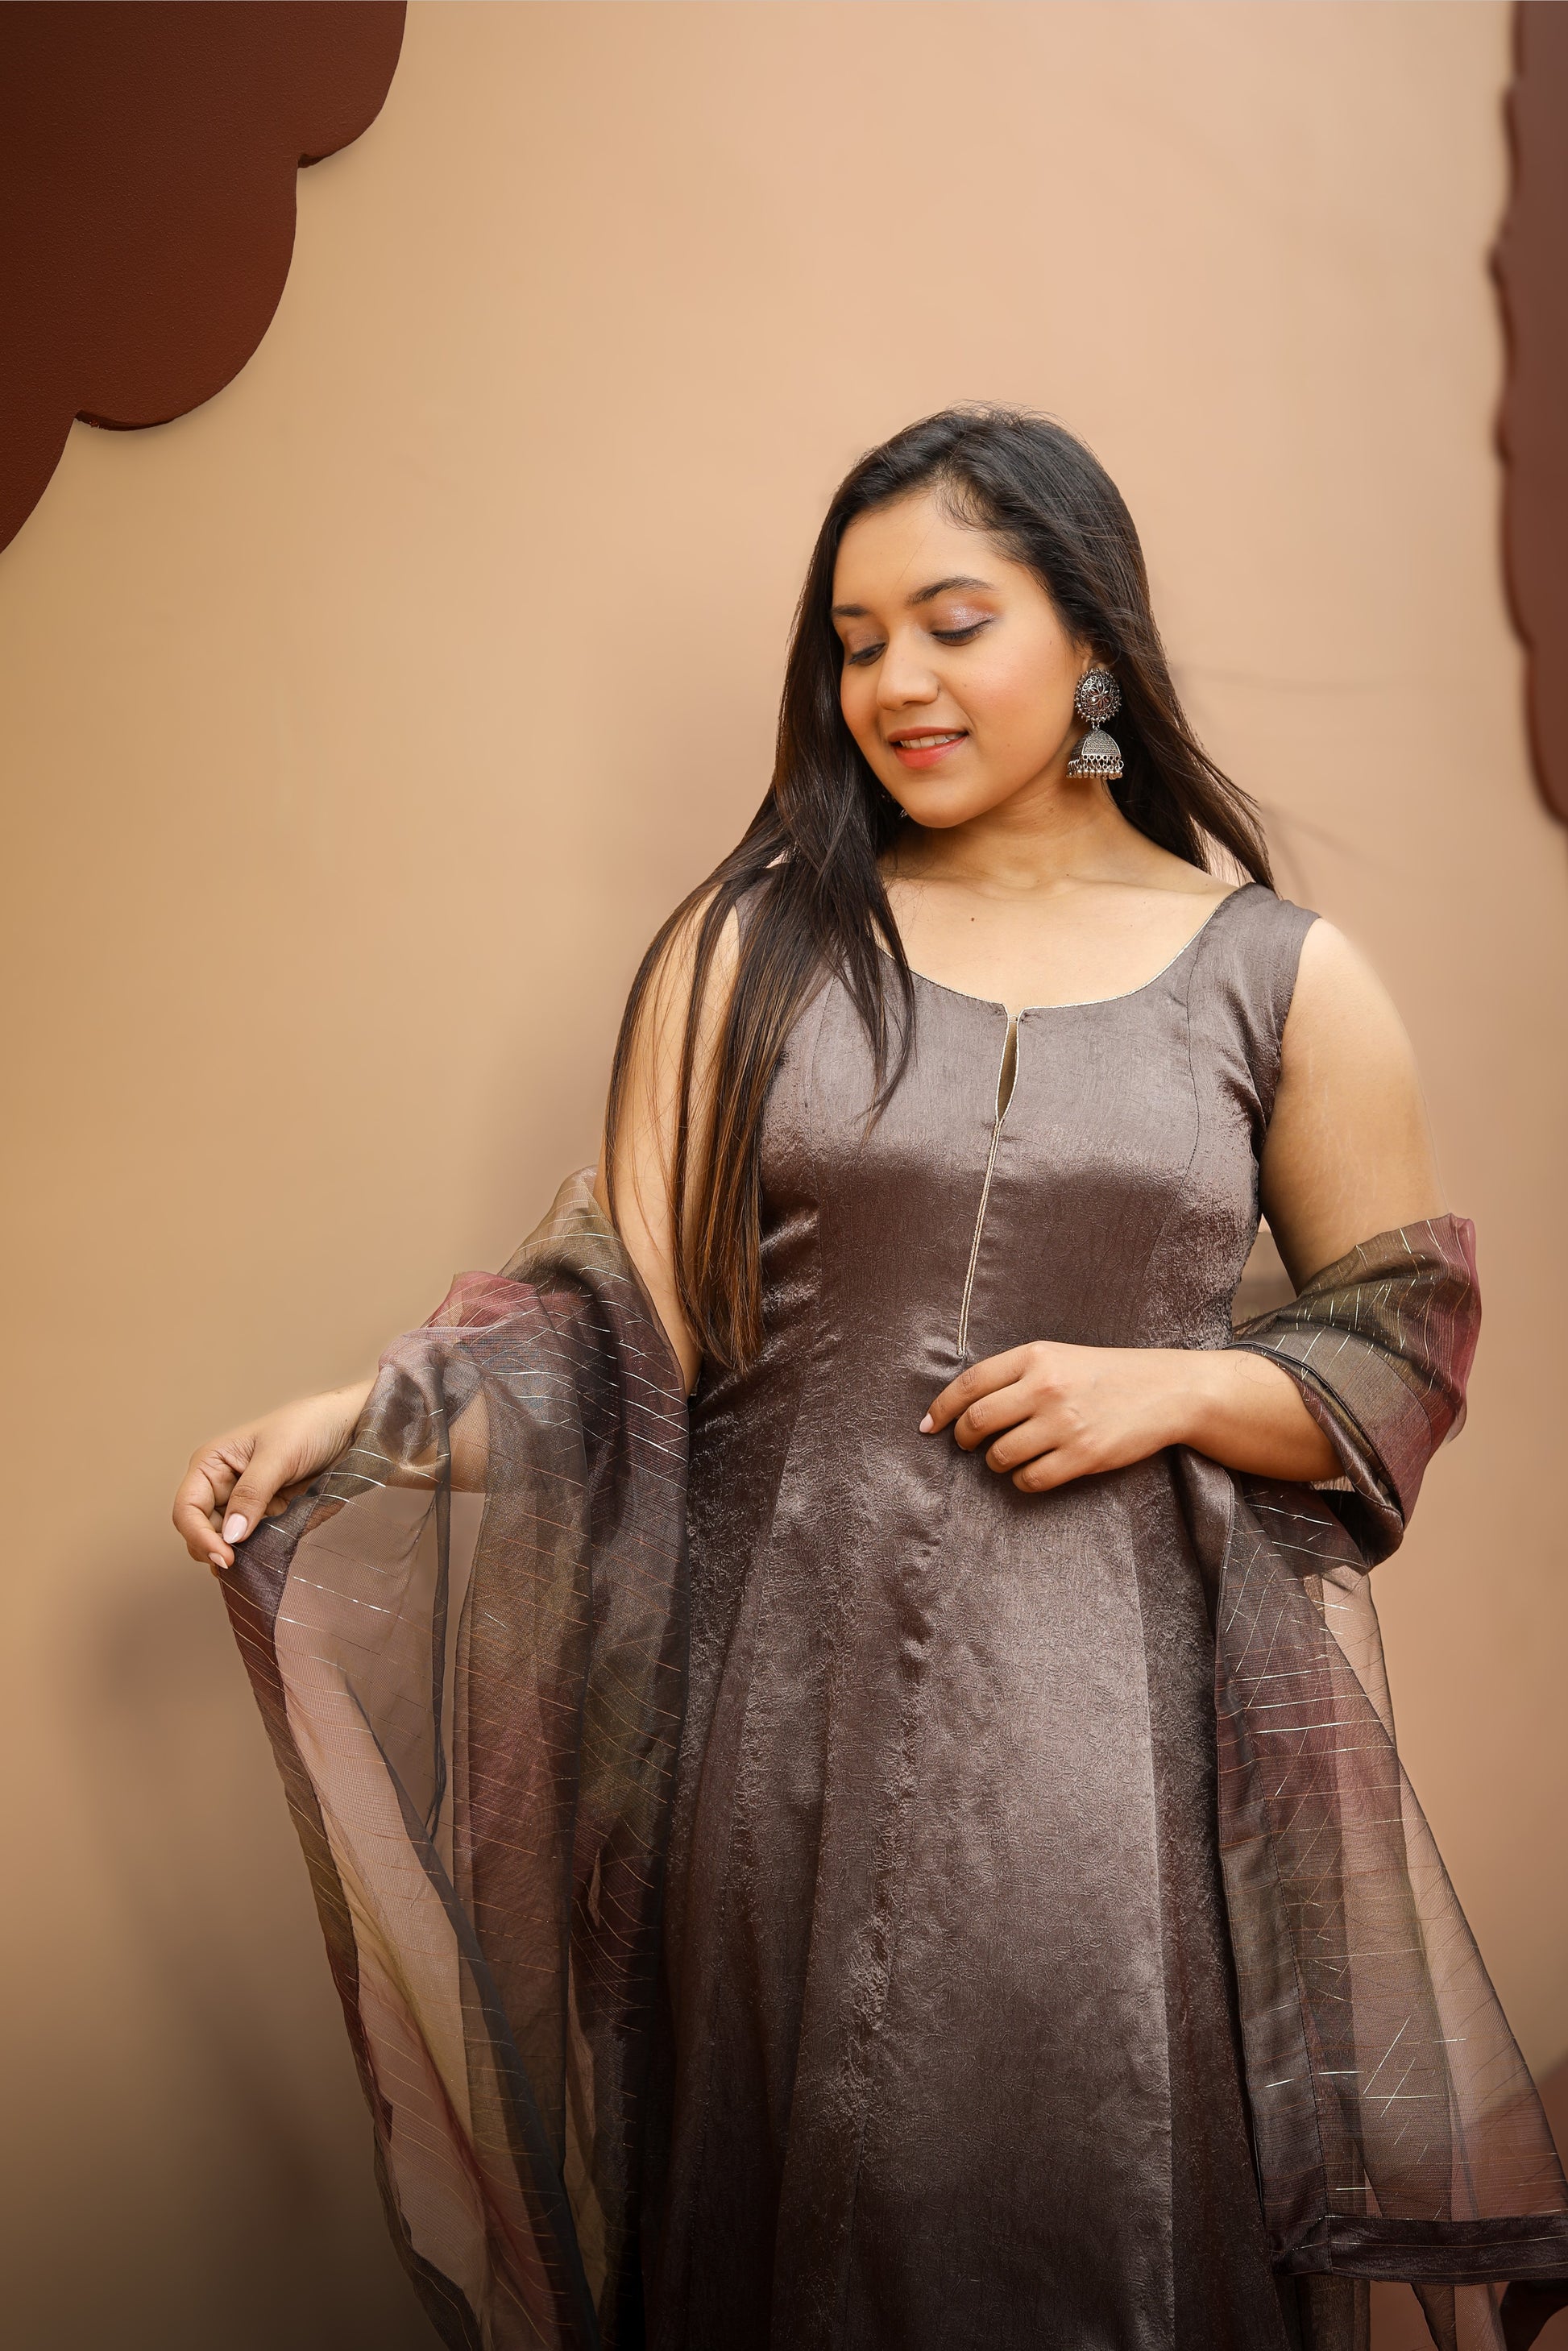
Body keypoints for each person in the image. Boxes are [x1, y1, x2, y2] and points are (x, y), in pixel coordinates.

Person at [174, 409, 1565, 2351]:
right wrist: (366, 1418)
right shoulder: (746, 952)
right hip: (775, 1731)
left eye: (951, 623)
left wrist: (1167, 1390)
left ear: (1092, 643)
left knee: (1104, 2211)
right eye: (853, 640)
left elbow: (1397, 1345)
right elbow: (617, 1337)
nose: (892, 681)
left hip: (1130, 1764)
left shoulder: (1280, 977)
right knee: (791, 2218)